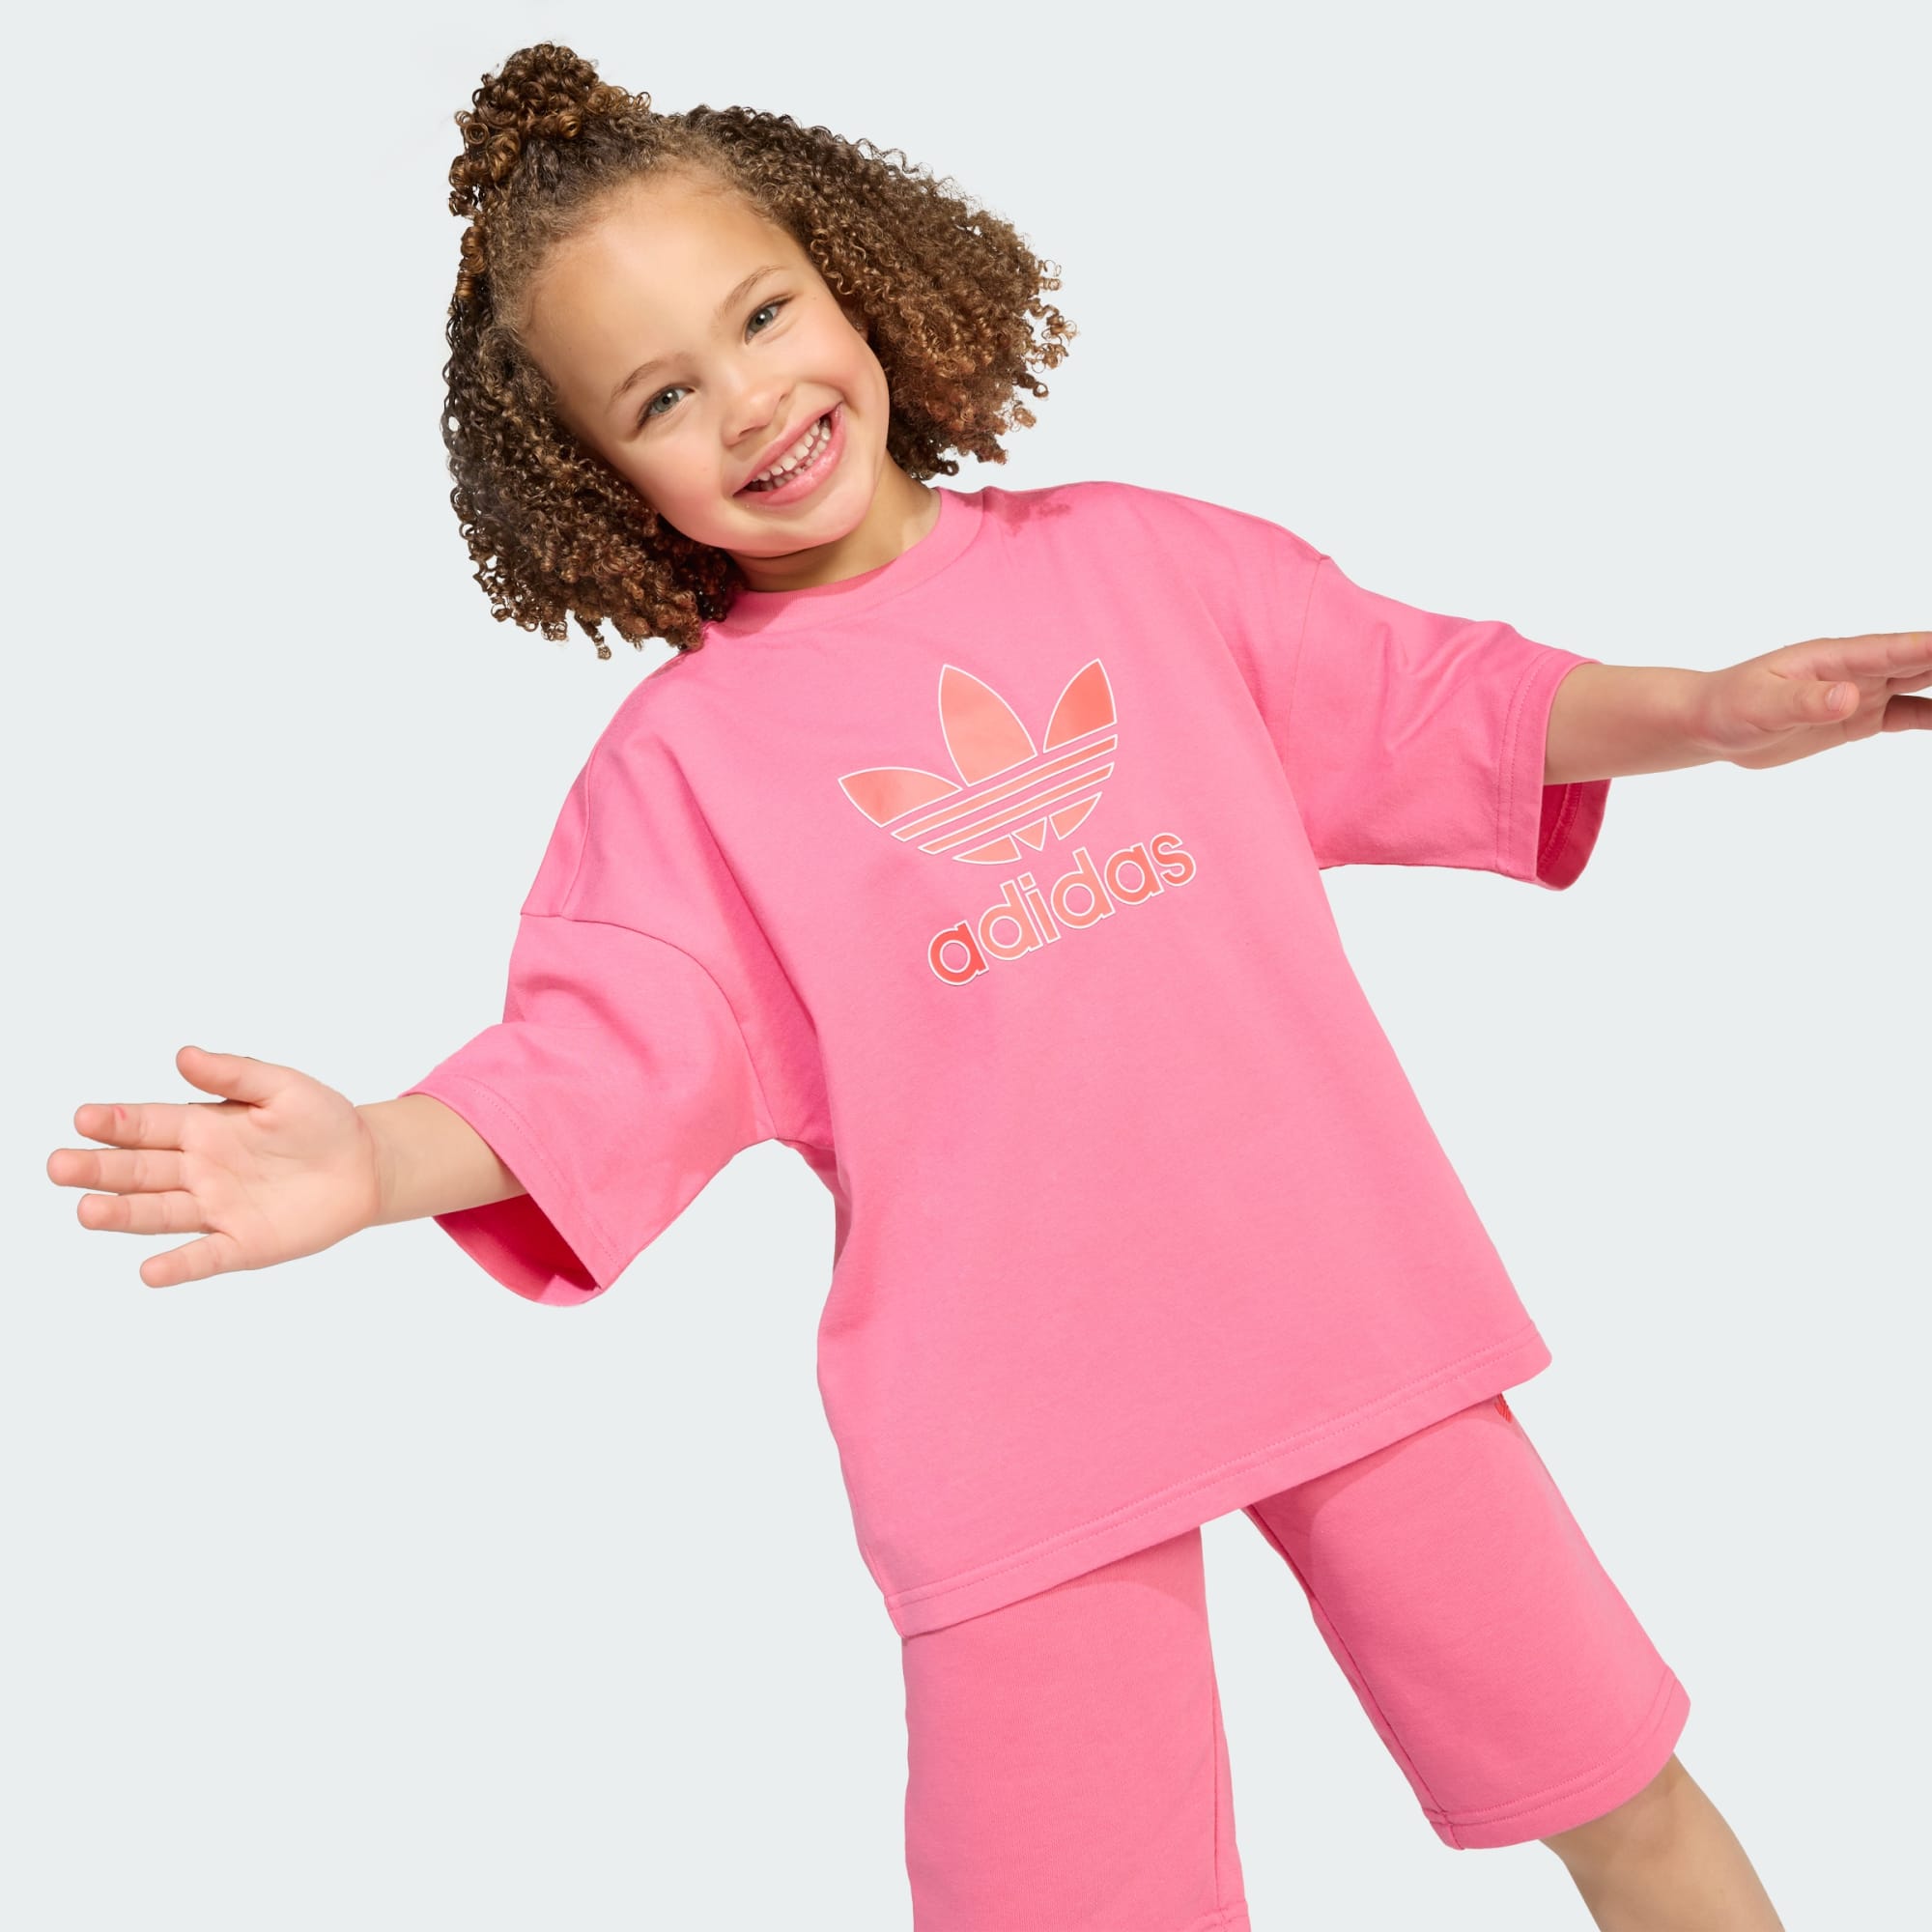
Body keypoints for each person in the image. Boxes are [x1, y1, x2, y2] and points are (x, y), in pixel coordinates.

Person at [45, 42, 1926, 1932]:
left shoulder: (1140, 566)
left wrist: (1709, 710)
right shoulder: (685, 774)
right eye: (663, 397)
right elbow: (600, 1061)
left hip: (1344, 1308)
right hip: (1011, 1434)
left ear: (856, 271)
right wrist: (378, 1157)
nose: (751, 401)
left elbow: (1440, 700)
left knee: (1614, 1791)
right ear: (596, 478)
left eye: (762, 313)